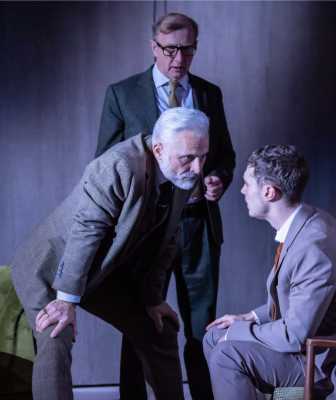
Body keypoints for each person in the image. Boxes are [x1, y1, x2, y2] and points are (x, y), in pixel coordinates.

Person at [11, 107, 209, 400]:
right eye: (189, 159)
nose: (198, 169)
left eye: (203, 157)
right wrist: (66, 300)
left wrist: (152, 299)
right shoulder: (118, 166)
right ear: (158, 149)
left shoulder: (180, 174)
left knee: (160, 330)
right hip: (54, 265)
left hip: (102, 267)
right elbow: (86, 231)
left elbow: (167, 241)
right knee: (56, 335)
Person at [96, 12, 235, 400]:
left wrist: (218, 179)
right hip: (145, 229)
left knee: (201, 326)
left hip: (197, 226)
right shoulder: (122, 95)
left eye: (187, 49)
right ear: (153, 47)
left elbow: (225, 154)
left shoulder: (209, 94)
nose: (179, 59)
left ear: (195, 48)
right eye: (170, 49)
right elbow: (105, 162)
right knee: (137, 320)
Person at [203, 145, 336, 399]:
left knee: (228, 354)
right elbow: (302, 300)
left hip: (335, 360)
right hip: (314, 347)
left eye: (247, 183)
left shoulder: (314, 244)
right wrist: (250, 318)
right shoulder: (304, 224)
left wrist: (236, 332)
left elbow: (294, 334)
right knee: (214, 338)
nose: (242, 190)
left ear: (269, 192)